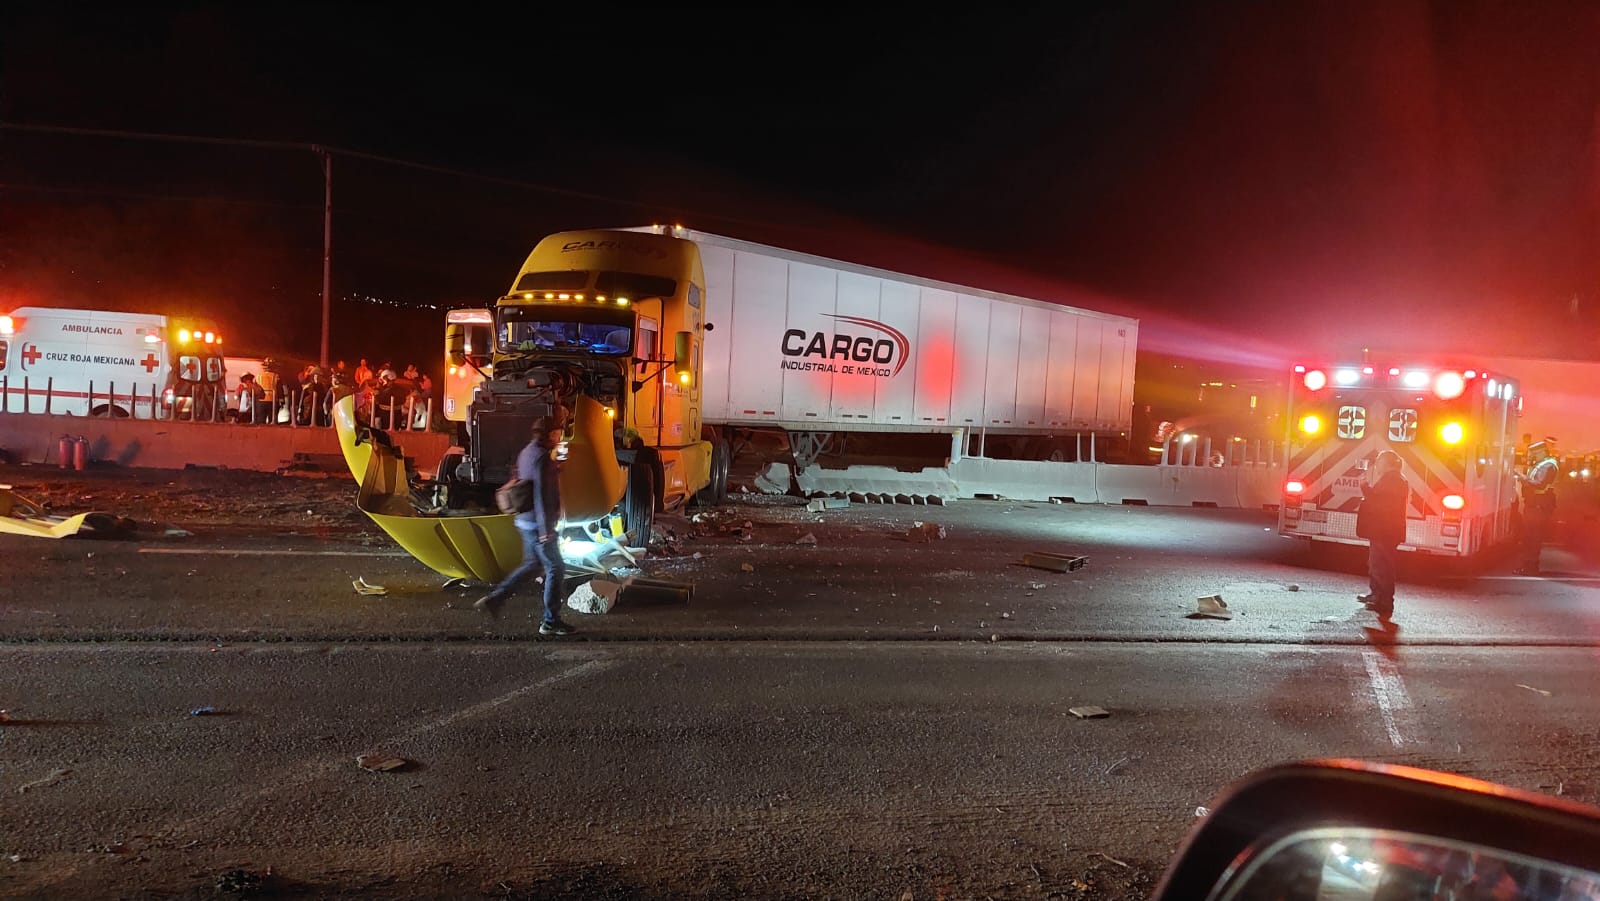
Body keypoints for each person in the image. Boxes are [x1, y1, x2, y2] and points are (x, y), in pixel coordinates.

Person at [474, 414, 575, 635]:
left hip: (524, 521)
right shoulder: (542, 458)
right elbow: (541, 495)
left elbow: (528, 480)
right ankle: (551, 622)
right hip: (538, 525)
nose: (561, 436)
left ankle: (496, 598)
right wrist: (546, 530)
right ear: (550, 434)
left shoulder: (528, 452)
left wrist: (554, 468)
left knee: (532, 566)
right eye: (558, 432)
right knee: (556, 568)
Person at [1356, 449, 1408, 618]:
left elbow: (1378, 503)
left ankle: (1384, 602)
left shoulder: (1392, 479)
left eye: (1379, 461)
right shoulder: (1394, 479)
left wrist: (1364, 487)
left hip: (1385, 530)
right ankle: (1376, 595)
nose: (1377, 465)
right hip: (1384, 530)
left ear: (1387, 463)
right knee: (1376, 563)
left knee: (1382, 566)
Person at [1514, 437, 1559, 575]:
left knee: (1533, 537)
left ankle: (1530, 567)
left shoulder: (1548, 465)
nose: (1531, 455)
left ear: (1540, 452)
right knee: (1529, 537)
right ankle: (1528, 566)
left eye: (1533, 453)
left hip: (1539, 505)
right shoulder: (1541, 464)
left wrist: (1521, 477)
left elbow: (1539, 484)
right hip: (1535, 504)